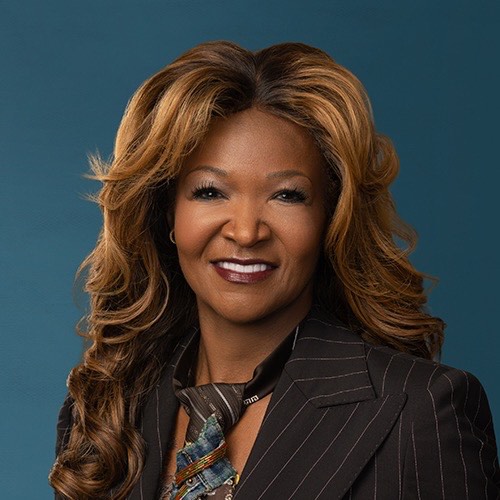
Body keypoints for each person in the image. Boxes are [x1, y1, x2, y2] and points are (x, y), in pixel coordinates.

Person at [49, 41, 499, 499]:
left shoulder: (420, 408)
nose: (246, 232)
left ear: (331, 218)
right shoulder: (105, 410)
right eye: (210, 192)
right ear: (168, 213)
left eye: (287, 195)